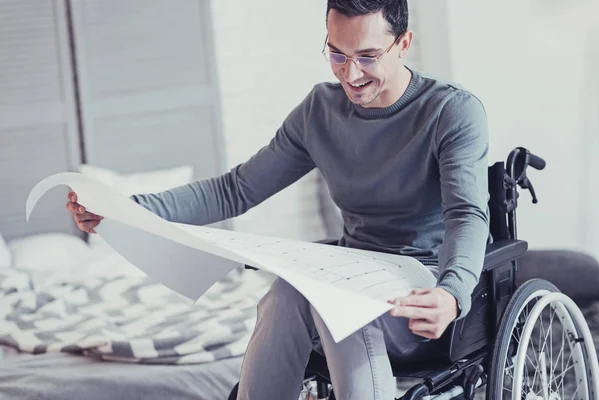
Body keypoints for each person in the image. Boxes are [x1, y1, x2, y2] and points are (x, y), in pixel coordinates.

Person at [66, 1, 489, 398]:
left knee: (331, 300)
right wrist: (129, 210)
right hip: (354, 274)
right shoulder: (320, 111)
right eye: (337, 54)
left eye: (367, 56)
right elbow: (235, 190)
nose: (351, 74)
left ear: (404, 44)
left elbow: (467, 215)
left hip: (421, 293)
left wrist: (451, 293)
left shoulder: (450, 111)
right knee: (289, 290)